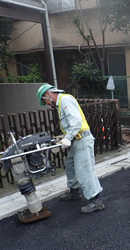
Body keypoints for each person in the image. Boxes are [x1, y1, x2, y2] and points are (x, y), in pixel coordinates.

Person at [36, 84, 104, 213]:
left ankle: (96, 201)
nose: (47, 104)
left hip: (82, 140)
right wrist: (64, 137)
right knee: (70, 164)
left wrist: (68, 137)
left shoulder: (65, 100)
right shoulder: (61, 103)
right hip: (77, 140)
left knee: (84, 170)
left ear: (49, 94)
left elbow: (76, 121)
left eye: (45, 100)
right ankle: (74, 192)